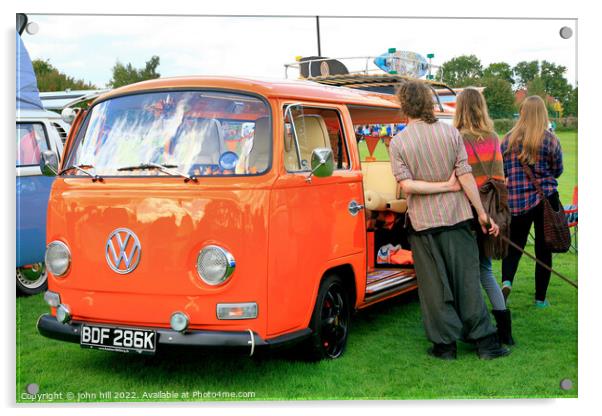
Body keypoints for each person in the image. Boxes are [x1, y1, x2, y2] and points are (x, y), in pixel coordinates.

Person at [389, 81, 510, 360]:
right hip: (457, 219)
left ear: (405, 105)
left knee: (433, 288)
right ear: (428, 102)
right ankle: (486, 343)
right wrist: (481, 212)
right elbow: (465, 176)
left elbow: (407, 186)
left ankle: (445, 347)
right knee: (468, 282)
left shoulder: (398, 142)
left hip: (423, 224)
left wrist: (447, 189)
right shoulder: (450, 134)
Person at [454, 88, 514, 345]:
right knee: (486, 271)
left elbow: (459, 179)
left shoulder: (457, 138)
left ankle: (474, 328)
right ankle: (505, 331)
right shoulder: (493, 136)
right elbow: (500, 178)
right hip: (493, 210)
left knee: (468, 272)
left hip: (468, 211)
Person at [501, 95, 564, 308]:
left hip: (517, 200)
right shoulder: (551, 139)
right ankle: (540, 299)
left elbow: (504, 171)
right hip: (546, 199)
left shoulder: (507, 140)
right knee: (543, 250)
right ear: (543, 114)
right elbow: (558, 171)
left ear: (522, 113)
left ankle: (506, 281)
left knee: (515, 246)